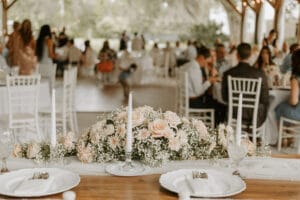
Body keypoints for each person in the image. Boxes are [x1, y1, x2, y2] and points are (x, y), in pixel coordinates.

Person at [222, 43, 269, 127]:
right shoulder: (260, 74)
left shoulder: (228, 74)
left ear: (237, 55)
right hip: (253, 115)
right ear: (250, 55)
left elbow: (224, 97)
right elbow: (265, 98)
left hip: (233, 112)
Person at [182, 46, 225, 125]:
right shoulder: (195, 69)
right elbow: (198, 92)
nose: (206, 63)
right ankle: (215, 131)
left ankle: (207, 125)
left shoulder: (189, 65)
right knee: (221, 107)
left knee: (213, 101)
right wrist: (209, 81)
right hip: (192, 101)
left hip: (186, 99)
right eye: (206, 61)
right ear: (201, 57)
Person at [276, 49, 300, 121]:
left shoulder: (296, 78)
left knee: (278, 109)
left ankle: (284, 131)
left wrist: (288, 101)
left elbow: (294, 102)